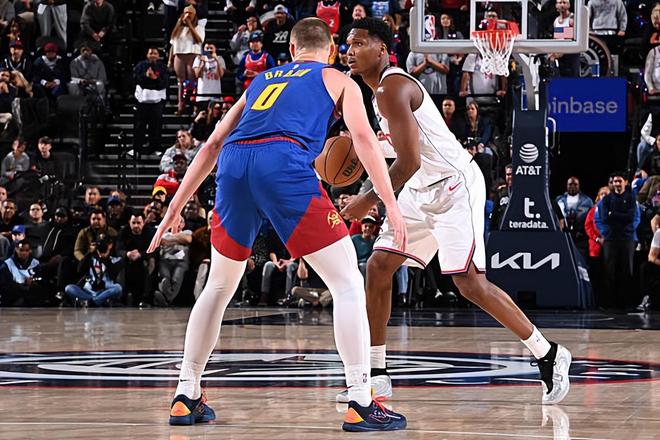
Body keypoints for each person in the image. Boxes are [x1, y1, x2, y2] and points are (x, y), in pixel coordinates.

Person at [146, 17, 407, 431]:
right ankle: (361, 399)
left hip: (234, 164)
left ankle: (185, 393)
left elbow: (212, 142)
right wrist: (390, 204)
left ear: (291, 51)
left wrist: (174, 207)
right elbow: (362, 138)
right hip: (282, 161)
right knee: (346, 284)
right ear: (332, 50)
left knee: (219, 286)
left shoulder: (260, 80)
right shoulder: (338, 79)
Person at [341, 17, 571, 405]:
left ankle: (548, 354)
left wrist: (368, 199)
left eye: (359, 43)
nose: (350, 51)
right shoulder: (374, 93)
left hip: (453, 186)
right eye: (348, 44)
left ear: (382, 50)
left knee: (469, 283)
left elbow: (409, 160)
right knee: (378, 267)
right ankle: (377, 373)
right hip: (418, 189)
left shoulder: (392, 87)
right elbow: (401, 157)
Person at [595, 171, 638, 309]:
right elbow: (603, 219)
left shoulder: (631, 198)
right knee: (609, 271)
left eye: (619, 181)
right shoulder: (606, 200)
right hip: (611, 239)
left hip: (627, 239)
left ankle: (626, 304)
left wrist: (613, 215)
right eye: (615, 181)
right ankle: (608, 304)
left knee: (627, 271)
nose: (617, 184)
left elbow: (631, 217)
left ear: (625, 182)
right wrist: (621, 217)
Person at [133, 47, 169, 157]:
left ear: (158, 55)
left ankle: (155, 147)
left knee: (156, 126)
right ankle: (137, 148)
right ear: (147, 55)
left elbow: (165, 82)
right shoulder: (140, 66)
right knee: (140, 126)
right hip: (142, 101)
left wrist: (155, 78)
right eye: (151, 53)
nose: (153, 55)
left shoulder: (162, 67)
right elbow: (136, 79)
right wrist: (146, 76)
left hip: (157, 101)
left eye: (155, 53)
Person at [168, 5, 205, 114]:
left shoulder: (199, 27)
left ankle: (194, 105)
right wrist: (170, 60)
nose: (188, 15)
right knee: (181, 81)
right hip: (179, 55)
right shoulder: (178, 29)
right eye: (186, 13)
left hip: (192, 54)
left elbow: (199, 40)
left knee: (192, 80)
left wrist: (189, 25)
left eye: (190, 13)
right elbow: (173, 45)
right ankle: (181, 105)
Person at [555, 176, 593, 256]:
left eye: (575, 184)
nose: (572, 186)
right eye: (570, 184)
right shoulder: (559, 200)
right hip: (564, 235)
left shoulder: (587, 200)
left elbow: (591, 219)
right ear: (566, 185)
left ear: (579, 185)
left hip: (581, 237)